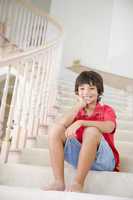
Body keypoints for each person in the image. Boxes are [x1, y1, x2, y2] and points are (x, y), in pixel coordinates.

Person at [44, 70, 120, 192]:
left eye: (91, 88)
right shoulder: (77, 111)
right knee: (56, 129)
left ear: (98, 91)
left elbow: (110, 127)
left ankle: (78, 183)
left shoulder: (106, 109)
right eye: (82, 89)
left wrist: (81, 122)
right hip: (80, 159)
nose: (86, 92)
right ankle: (59, 182)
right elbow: (61, 124)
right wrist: (79, 105)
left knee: (91, 131)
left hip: (103, 161)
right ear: (77, 92)